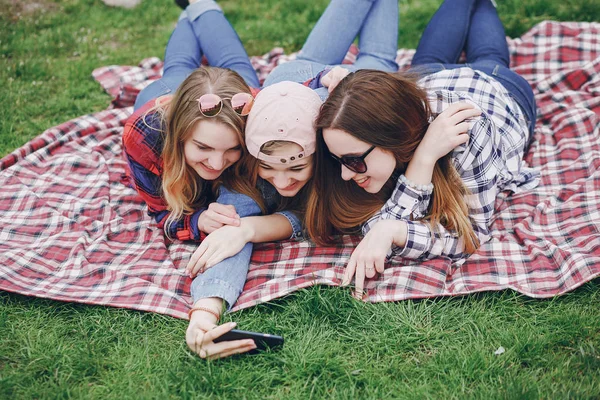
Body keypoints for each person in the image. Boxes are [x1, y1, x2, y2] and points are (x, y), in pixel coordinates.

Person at [305, 0, 540, 298]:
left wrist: (394, 231)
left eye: (353, 161)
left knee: (490, 56)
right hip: (429, 79)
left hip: (497, 87)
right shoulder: (362, 147)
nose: (346, 175)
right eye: (338, 160)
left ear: (390, 137)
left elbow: (471, 235)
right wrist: (421, 163)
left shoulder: (471, 134)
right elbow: (370, 224)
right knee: (431, 56)